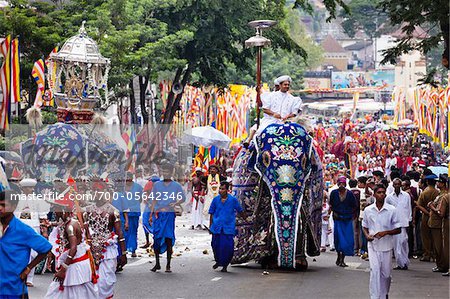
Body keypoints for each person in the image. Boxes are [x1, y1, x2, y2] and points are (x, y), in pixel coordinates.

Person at [0, 191, 52, 299]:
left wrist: (28, 268)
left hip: (13, 288)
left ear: (14, 207)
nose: (0, 208)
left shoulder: (24, 230)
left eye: (3, 205)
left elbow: (46, 248)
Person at [45, 196, 98, 299]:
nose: (55, 212)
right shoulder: (68, 222)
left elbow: (73, 249)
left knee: (76, 293)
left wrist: (63, 269)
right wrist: (50, 224)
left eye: (57, 209)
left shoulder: (70, 226)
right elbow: (61, 225)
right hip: (75, 263)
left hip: (75, 265)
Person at [84, 179, 127, 299]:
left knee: (105, 281)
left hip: (107, 250)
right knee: (89, 280)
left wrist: (123, 253)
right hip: (90, 250)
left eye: (99, 190)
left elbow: (119, 233)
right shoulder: (86, 211)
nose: (97, 193)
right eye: (94, 190)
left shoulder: (113, 211)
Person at [362, 184, 401, 299]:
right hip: (373, 245)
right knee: (375, 271)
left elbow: (398, 229)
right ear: (374, 195)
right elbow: (364, 226)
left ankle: (384, 294)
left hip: (387, 246)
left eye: (383, 192)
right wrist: (367, 235)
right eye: (379, 192)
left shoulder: (391, 210)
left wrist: (386, 233)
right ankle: (375, 296)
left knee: (386, 274)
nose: (382, 194)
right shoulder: (368, 210)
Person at [149, 161, 186, 273]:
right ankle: (157, 263)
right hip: (158, 215)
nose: (165, 173)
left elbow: (183, 198)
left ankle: (168, 265)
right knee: (156, 239)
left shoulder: (176, 185)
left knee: (169, 239)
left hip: (169, 215)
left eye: (167, 171)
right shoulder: (157, 185)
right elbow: (154, 200)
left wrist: (175, 204)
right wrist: (151, 215)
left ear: (171, 172)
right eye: (163, 171)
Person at [14, 178, 50, 287]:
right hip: (19, 229)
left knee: (34, 254)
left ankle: (30, 278)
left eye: (32, 187)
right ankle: (19, 276)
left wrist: (44, 232)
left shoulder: (38, 199)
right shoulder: (16, 199)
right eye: (29, 187)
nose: (31, 189)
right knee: (20, 252)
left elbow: (43, 217)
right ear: (23, 188)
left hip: (34, 228)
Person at [209, 182, 244, 272]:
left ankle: (225, 265)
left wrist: (246, 219)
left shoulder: (233, 200)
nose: (220, 190)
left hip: (228, 227)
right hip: (217, 227)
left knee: (228, 247)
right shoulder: (215, 200)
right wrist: (210, 226)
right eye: (220, 188)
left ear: (227, 190)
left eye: (223, 189)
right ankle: (218, 261)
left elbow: (240, 210)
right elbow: (211, 213)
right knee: (215, 245)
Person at [329, 176, 357, 267]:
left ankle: (342, 259)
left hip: (347, 219)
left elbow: (354, 205)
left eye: (343, 183)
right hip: (338, 219)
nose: (341, 185)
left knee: (346, 240)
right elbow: (331, 204)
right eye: (340, 183)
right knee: (338, 239)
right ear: (337, 184)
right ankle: (338, 256)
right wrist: (332, 213)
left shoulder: (349, 194)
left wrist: (353, 215)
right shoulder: (333, 193)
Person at [386, 178, 412, 270]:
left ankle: (404, 262)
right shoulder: (389, 197)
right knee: (396, 244)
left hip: (404, 223)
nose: (397, 186)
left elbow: (409, 208)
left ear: (401, 185)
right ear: (393, 185)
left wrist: (409, 219)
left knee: (403, 243)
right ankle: (400, 263)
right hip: (394, 224)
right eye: (395, 184)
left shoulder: (406, 196)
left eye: (398, 184)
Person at [115, 171, 143, 258]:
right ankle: (125, 250)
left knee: (134, 231)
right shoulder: (121, 188)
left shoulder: (138, 187)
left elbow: (140, 198)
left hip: (134, 212)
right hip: (124, 213)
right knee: (124, 232)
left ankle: (133, 249)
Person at [416, 174, 440, 262]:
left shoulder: (424, 193)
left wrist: (427, 213)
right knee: (435, 236)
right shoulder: (438, 192)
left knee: (425, 236)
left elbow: (418, 205)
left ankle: (427, 254)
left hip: (426, 216)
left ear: (427, 182)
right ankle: (434, 254)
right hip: (436, 216)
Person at [428, 174, 448, 273]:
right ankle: (440, 264)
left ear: (443, 184)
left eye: (439, 182)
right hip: (434, 223)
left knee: (439, 246)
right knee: (437, 246)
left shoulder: (444, 195)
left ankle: (442, 265)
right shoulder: (440, 194)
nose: (437, 183)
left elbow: (440, 211)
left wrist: (432, 207)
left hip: (438, 224)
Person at [437, 193, 449, 276]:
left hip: (448, 222)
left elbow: (441, 213)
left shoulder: (446, 197)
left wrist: (433, 208)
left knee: (447, 246)